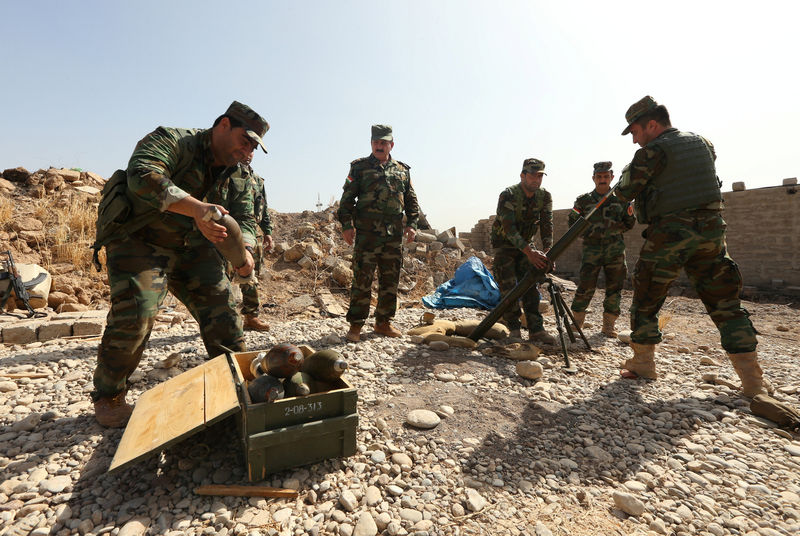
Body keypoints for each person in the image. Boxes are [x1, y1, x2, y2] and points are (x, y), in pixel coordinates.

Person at [90, 101, 269, 427]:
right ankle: (109, 395)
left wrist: (246, 251)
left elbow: (243, 219)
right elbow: (142, 175)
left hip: (195, 248)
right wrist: (197, 209)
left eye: (254, 146)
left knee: (225, 312)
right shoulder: (173, 140)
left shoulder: (238, 173)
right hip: (140, 240)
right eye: (246, 140)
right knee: (137, 313)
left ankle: (233, 384)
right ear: (224, 125)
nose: (248, 150)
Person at [616, 95, 767, 397]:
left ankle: (644, 363)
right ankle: (753, 382)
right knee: (726, 304)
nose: (634, 140)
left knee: (646, 295)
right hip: (711, 233)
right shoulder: (703, 142)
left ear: (652, 124)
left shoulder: (652, 151)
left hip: (671, 234)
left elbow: (624, 190)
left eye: (635, 132)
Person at [337, 124, 419, 342]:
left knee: (390, 280)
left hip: (393, 236)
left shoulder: (402, 170)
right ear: (371, 143)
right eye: (376, 142)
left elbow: (411, 200)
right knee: (362, 280)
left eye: (383, 142)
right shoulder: (359, 168)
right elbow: (346, 201)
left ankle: (383, 322)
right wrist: (346, 225)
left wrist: (411, 224)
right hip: (366, 235)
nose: (379, 146)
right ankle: (355, 325)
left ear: (391, 144)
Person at [489, 158, 556, 345]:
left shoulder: (545, 196)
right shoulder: (508, 195)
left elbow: (546, 224)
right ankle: (514, 328)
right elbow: (509, 229)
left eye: (540, 176)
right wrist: (530, 252)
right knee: (508, 286)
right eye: (533, 175)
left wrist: (549, 251)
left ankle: (536, 329)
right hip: (505, 244)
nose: (536, 179)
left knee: (531, 284)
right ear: (523, 175)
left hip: (527, 244)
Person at [568, 161, 636, 337]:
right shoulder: (583, 200)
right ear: (594, 178)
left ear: (612, 178)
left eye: (606, 177)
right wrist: (590, 232)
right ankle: (576, 324)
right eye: (599, 177)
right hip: (592, 250)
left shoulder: (621, 199)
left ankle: (608, 326)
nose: (603, 180)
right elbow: (572, 223)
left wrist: (612, 229)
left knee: (615, 288)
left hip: (615, 250)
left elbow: (630, 222)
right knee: (585, 286)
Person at [237, 153, 273, 331]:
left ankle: (251, 317)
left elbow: (263, 207)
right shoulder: (228, 174)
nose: (248, 154)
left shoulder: (257, 180)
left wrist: (268, 231)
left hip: (252, 231)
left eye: (251, 150)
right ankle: (219, 320)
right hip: (230, 231)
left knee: (250, 276)